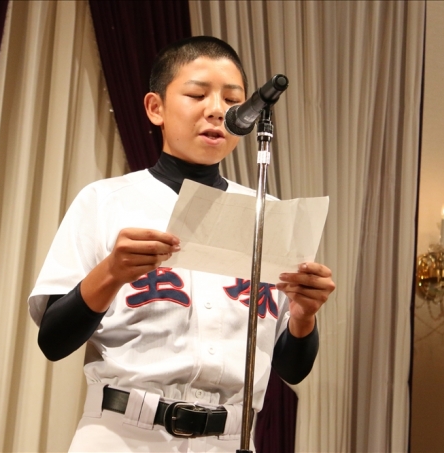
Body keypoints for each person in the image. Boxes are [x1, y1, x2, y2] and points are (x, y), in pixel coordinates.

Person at [28, 36, 335, 453]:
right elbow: (53, 341)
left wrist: (303, 315)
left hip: (230, 438)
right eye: (197, 94)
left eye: (233, 100)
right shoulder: (106, 201)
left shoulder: (269, 214)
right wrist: (112, 272)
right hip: (124, 434)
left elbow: (292, 369)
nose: (217, 110)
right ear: (155, 107)